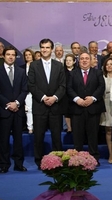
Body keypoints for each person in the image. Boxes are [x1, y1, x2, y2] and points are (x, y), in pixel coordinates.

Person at [28, 38, 66, 169]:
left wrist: (54, 98)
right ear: (40, 49)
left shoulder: (59, 65)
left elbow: (63, 85)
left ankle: (58, 161)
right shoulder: (34, 65)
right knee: (38, 136)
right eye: (42, 47)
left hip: (55, 106)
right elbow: (31, 85)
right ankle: (39, 161)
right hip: (40, 106)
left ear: (52, 49)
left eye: (47, 47)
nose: (44, 50)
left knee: (56, 136)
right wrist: (44, 97)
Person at [67, 52, 105, 165]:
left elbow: (101, 87)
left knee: (93, 136)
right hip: (77, 109)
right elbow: (69, 88)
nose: (84, 60)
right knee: (77, 137)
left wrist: (92, 98)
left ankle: (94, 159)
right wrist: (77, 99)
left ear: (91, 60)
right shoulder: (72, 74)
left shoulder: (98, 73)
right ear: (78, 61)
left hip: (93, 109)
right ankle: (77, 160)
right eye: (82, 58)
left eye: (87, 59)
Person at [0, 46, 28, 173]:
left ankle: (18, 164)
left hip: (18, 110)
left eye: (13, 55)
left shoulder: (21, 72)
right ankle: (4, 165)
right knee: (3, 139)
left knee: (18, 139)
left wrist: (16, 103)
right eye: (8, 54)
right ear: (3, 56)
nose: (10, 57)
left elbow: (25, 89)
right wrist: (8, 104)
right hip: (4, 110)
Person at [100, 58, 112, 163]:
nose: (109, 66)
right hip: (106, 104)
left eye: (111, 64)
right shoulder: (102, 77)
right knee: (108, 130)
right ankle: (110, 155)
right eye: (107, 64)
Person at [20, 49, 35, 134]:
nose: (28, 56)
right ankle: (30, 127)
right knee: (28, 110)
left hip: (36, 92)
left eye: (29, 54)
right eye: (26, 55)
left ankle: (37, 126)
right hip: (26, 92)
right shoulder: (21, 68)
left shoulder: (37, 66)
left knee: (36, 110)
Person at [62, 53, 76, 133]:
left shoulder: (77, 71)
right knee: (66, 111)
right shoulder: (62, 71)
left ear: (74, 61)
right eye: (67, 60)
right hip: (65, 95)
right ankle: (69, 128)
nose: (68, 62)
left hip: (75, 94)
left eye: (70, 60)